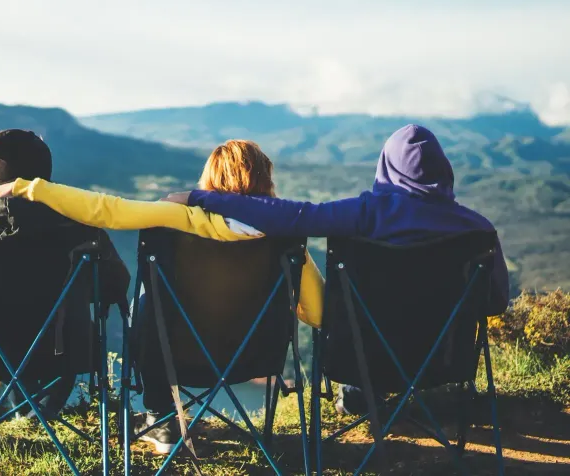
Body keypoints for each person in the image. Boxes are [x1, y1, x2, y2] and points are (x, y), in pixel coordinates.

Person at [0, 139, 325, 453]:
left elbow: (104, 208)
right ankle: (170, 418)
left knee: (149, 297)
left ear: (211, 181)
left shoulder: (179, 219)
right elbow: (318, 313)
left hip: (173, 355)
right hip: (253, 359)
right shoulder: (286, 241)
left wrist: (24, 188)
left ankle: (161, 415)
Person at [169, 124, 511, 415]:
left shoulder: (364, 215)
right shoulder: (478, 230)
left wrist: (206, 197)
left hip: (365, 359)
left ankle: (361, 393)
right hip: (444, 361)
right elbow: (494, 302)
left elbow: (289, 217)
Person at [0, 129, 130, 419]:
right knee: (53, 342)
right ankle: (39, 413)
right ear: (46, 175)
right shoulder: (82, 230)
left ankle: (28, 415)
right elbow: (114, 289)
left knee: (12, 352)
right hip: (61, 351)